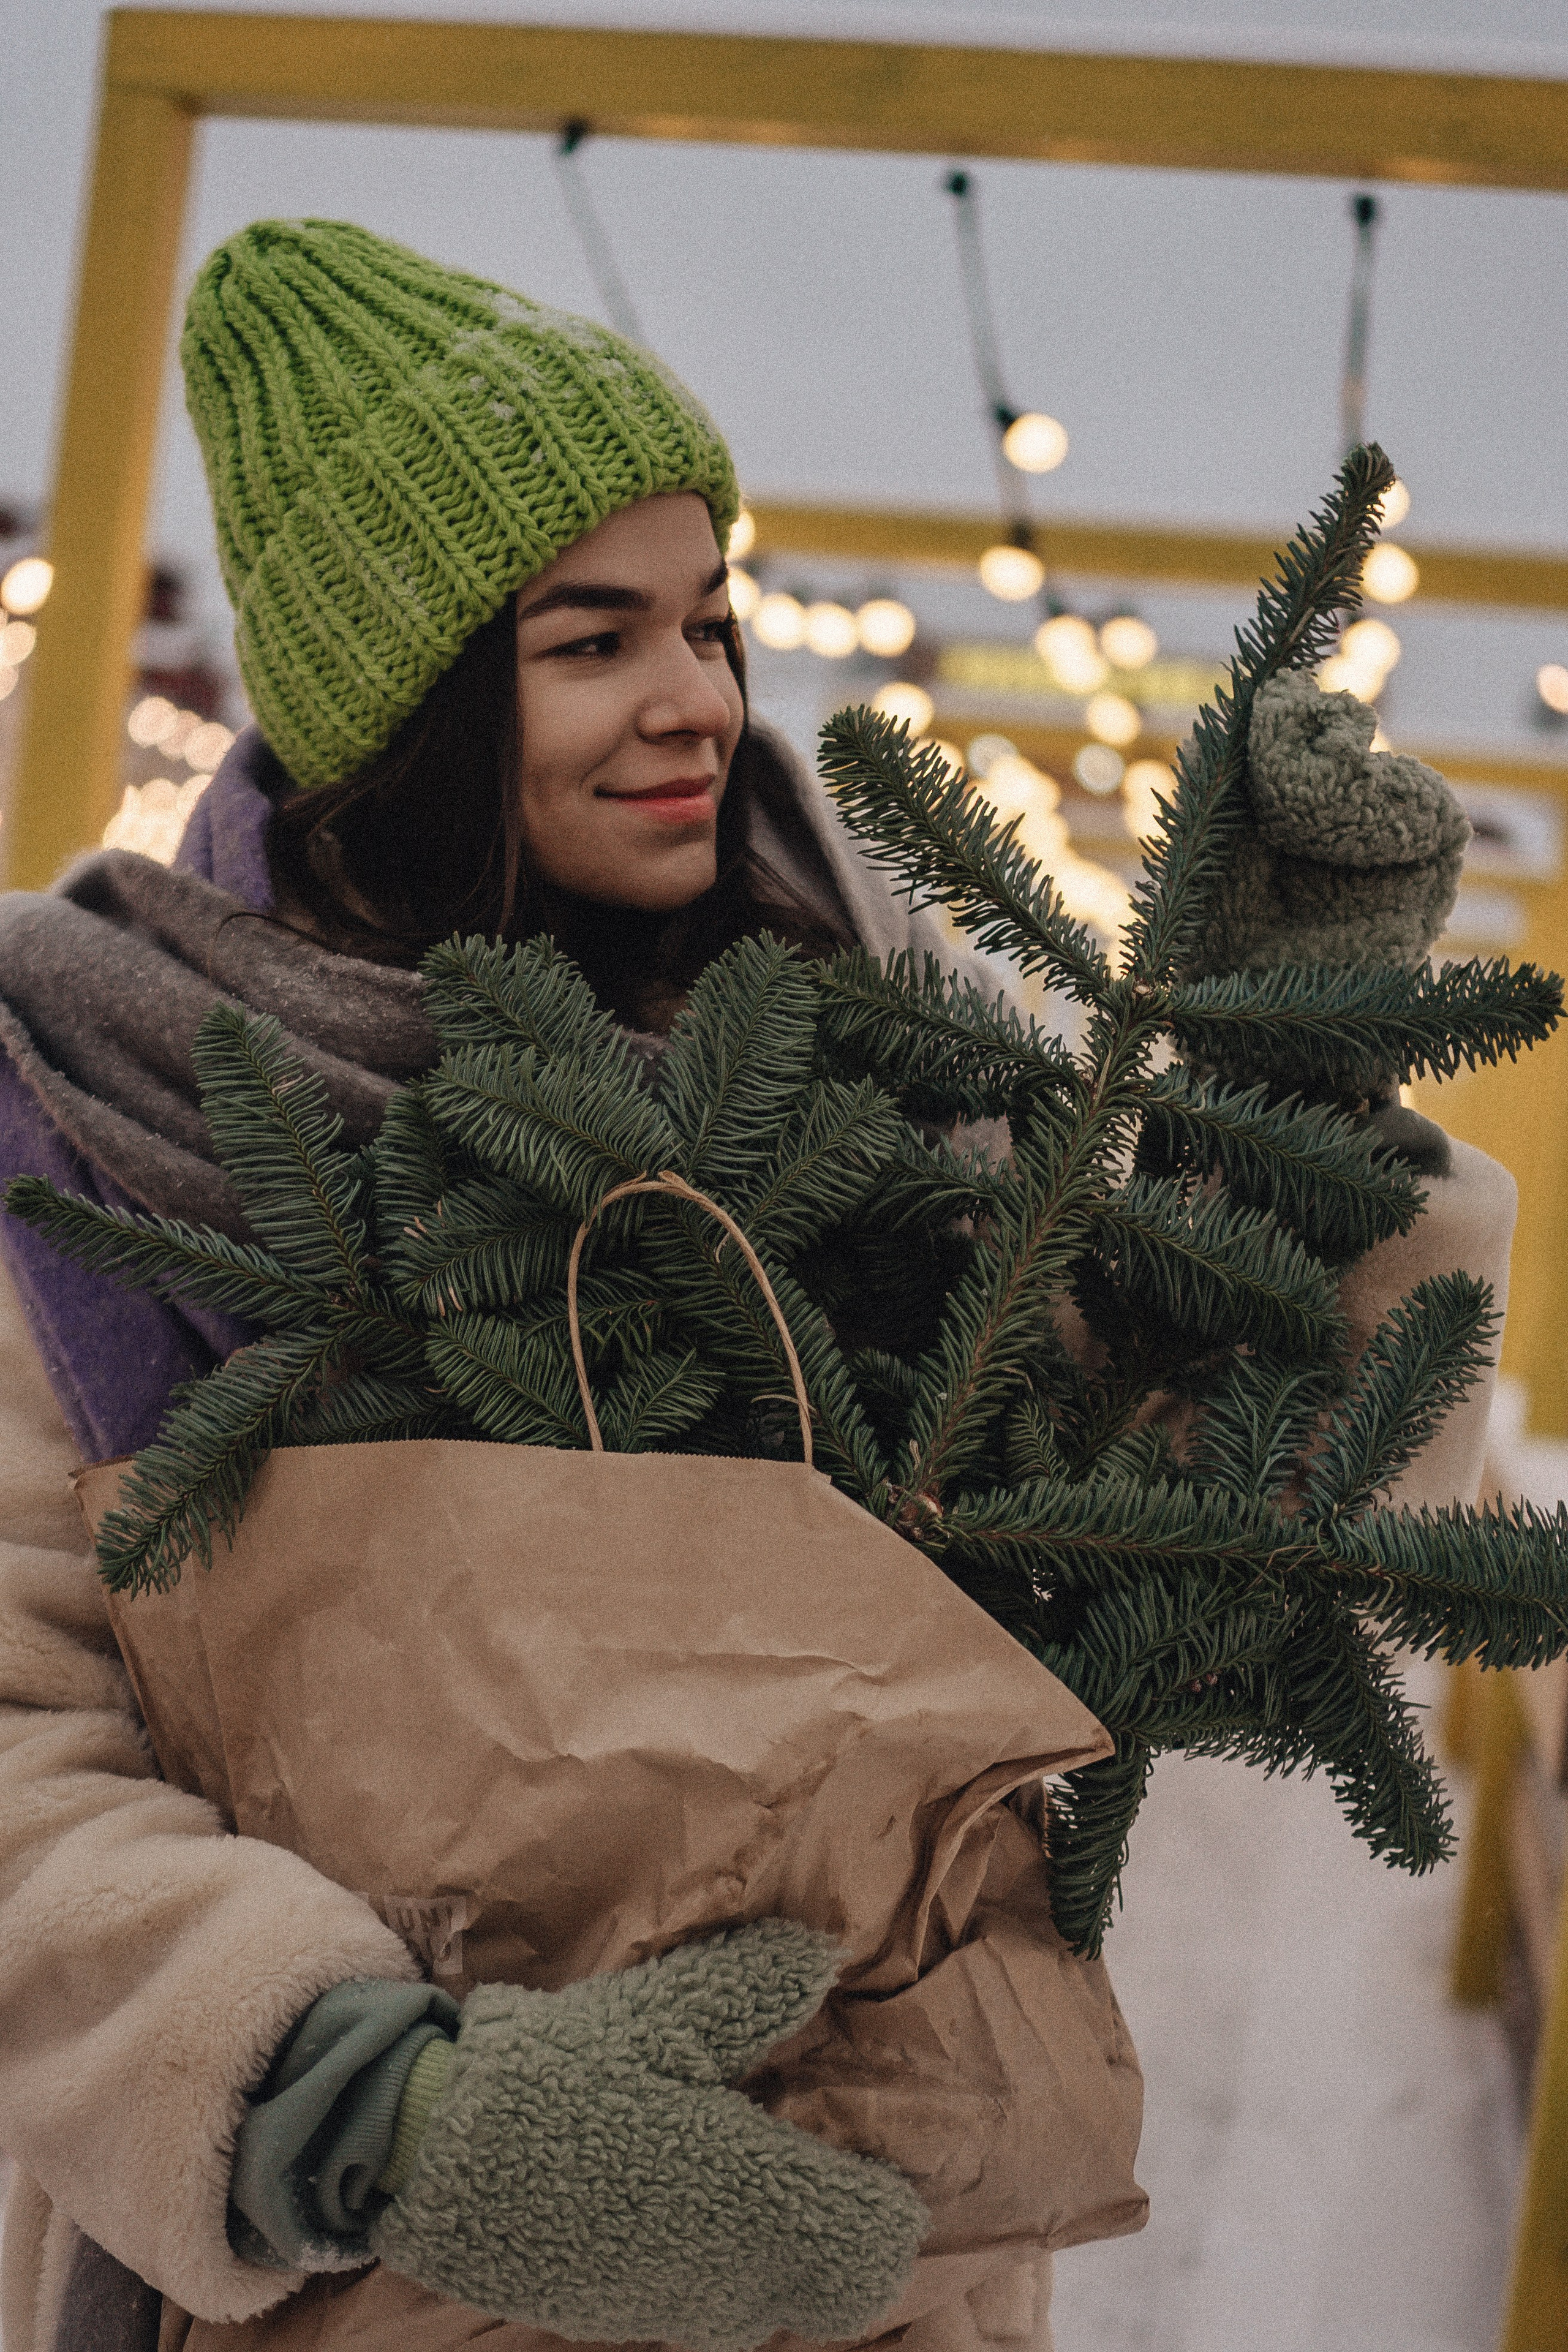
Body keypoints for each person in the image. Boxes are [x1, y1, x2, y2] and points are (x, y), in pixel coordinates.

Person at [0, 221, 1517, 2352]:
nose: (699, 700)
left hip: (886, 2240)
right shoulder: (87, 1109)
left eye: (710, 620)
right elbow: (17, 1760)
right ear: (404, 696)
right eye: (593, 639)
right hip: (361, 2280)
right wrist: (378, 2110)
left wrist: (1289, 1075)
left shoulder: (873, 1019)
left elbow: (1190, 1487)